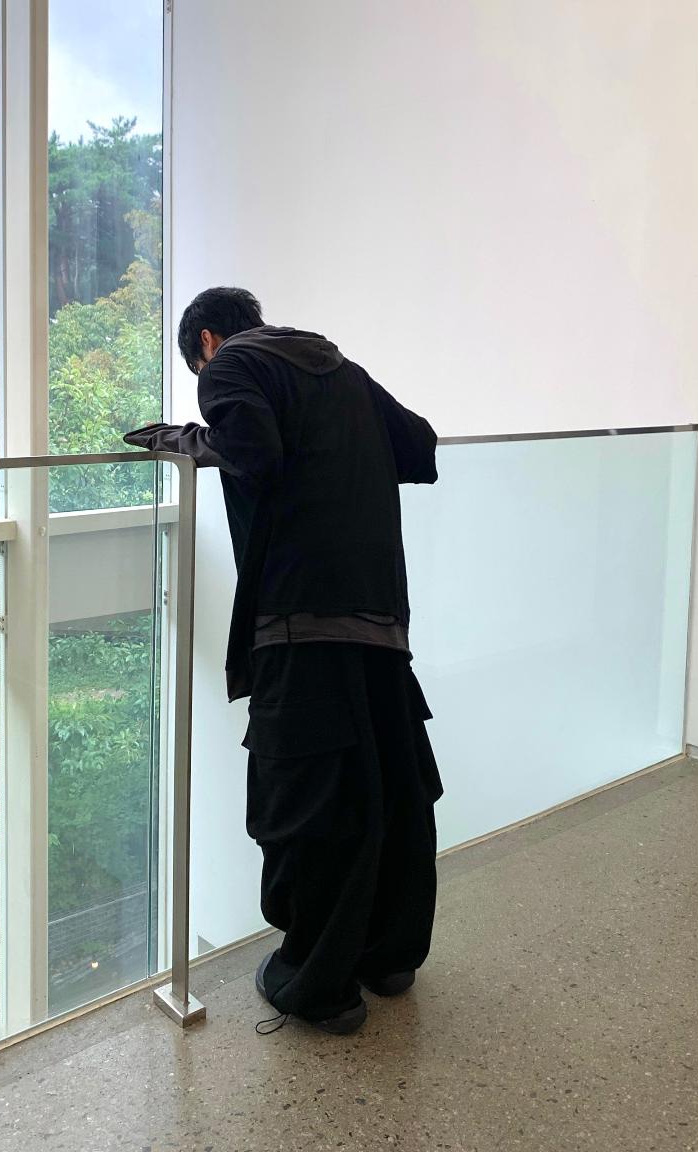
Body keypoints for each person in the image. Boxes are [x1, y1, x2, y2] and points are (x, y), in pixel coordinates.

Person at [125, 287, 443, 1035]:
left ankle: (319, 986)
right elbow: (419, 448)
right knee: (390, 785)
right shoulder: (341, 370)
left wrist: (185, 439)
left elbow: (254, 452)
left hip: (300, 617)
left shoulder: (230, 365)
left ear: (206, 340)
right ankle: (389, 959)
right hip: (378, 616)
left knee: (307, 802)